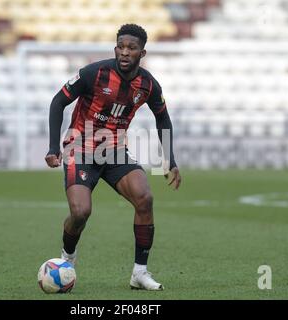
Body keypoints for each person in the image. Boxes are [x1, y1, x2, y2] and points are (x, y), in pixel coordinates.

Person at [45, 24, 181, 290]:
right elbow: (57, 102)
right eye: (121, 46)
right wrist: (53, 147)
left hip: (115, 150)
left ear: (142, 53)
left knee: (145, 198)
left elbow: (162, 118)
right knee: (81, 212)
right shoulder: (94, 73)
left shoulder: (149, 85)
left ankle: (139, 273)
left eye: (131, 48)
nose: (125, 52)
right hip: (80, 148)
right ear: (115, 48)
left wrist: (169, 160)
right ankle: (67, 257)